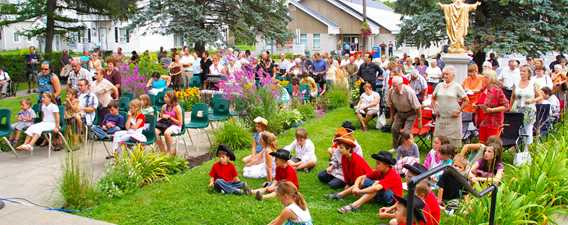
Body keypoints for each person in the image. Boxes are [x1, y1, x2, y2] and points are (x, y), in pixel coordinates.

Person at [334, 151, 402, 214]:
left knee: (376, 187)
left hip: (391, 200)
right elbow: (361, 177)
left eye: (378, 163)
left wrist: (359, 191)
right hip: (382, 195)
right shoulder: (379, 171)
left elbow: (376, 188)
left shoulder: (393, 175)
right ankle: (339, 195)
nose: (376, 165)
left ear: (386, 165)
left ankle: (354, 206)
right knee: (365, 180)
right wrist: (356, 186)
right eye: (376, 163)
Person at [432, 66, 469, 147]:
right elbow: (433, 98)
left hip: (453, 118)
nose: (445, 76)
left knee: (452, 142)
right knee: (440, 139)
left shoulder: (457, 86)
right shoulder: (439, 85)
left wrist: (459, 111)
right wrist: (435, 109)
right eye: (444, 74)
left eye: (447, 74)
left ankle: (452, 156)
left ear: (453, 75)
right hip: (441, 117)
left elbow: (466, 100)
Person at [510, 65, 542, 147]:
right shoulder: (516, 82)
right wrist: (510, 108)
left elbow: (540, 96)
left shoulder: (533, 83)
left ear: (529, 73)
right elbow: (513, 97)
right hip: (517, 109)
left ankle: (527, 149)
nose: (522, 73)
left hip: (529, 110)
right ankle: (517, 147)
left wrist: (532, 100)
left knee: (528, 129)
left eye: (524, 71)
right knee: (517, 129)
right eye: (521, 71)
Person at [387, 76, 422, 149]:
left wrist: (419, 120)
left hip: (411, 113)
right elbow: (391, 105)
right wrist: (392, 117)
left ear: (401, 84)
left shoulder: (409, 92)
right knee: (394, 129)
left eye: (395, 86)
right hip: (399, 113)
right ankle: (395, 147)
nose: (393, 88)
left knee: (406, 132)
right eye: (392, 85)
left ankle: (406, 147)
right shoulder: (391, 91)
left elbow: (418, 107)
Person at [474, 72, 509, 144]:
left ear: (491, 79)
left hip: (493, 122)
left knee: (491, 144)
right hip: (482, 121)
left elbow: (506, 106)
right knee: (482, 144)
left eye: (486, 77)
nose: (484, 79)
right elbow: (481, 103)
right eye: (484, 77)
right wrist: (476, 106)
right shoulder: (483, 90)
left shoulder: (497, 91)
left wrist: (492, 110)